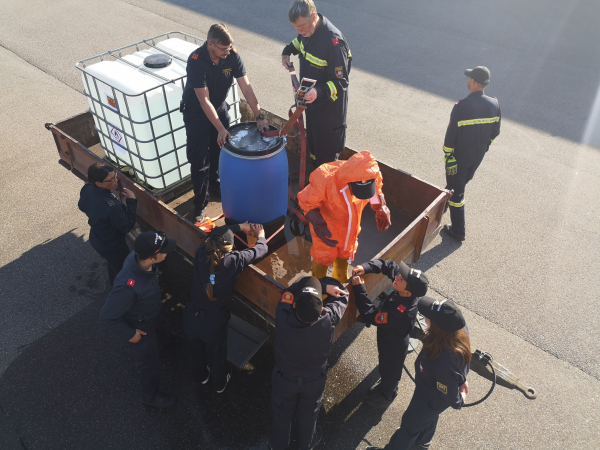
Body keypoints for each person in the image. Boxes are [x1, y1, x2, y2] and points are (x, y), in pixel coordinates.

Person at [181, 23, 270, 222]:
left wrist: (259, 116)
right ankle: (200, 204)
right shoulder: (196, 60)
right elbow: (204, 100)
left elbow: (246, 87)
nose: (227, 52)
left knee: (219, 152)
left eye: (229, 48)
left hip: (219, 108)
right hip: (197, 113)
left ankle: (215, 184)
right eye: (223, 49)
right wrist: (220, 128)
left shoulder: (232, 56)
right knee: (200, 161)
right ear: (210, 44)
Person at [367, 297, 471, 450]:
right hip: (430, 393)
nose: (423, 316)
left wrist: (461, 397)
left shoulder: (445, 363)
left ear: (437, 327)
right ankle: (423, 442)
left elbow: (452, 398)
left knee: (409, 426)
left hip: (429, 399)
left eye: (427, 316)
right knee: (429, 418)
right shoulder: (454, 333)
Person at [183, 222, 267, 393]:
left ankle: (201, 376)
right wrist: (261, 235)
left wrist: (238, 227)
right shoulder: (234, 260)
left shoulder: (200, 253)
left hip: (191, 315)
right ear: (229, 247)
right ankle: (220, 383)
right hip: (214, 321)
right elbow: (260, 250)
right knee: (217, 353)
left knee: (194, 350)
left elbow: (212, 235)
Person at [268, 276, 349, 450]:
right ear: (321, 309)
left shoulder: (283, 316)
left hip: (284, 378)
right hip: (313, 381)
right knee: (309, 415)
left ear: (294, 305)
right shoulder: (328, 318)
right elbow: (343, 295)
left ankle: (278, 445)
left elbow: (289, 291)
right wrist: (325, 286)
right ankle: (306, 444)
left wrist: (317, 286)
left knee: (282, 413)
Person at [99, 231, 178, 408]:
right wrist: (130, 333)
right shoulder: (127, 286)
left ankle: (166, 343)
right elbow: (107, 316)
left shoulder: (137, 258)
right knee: (147, 364)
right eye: (164, 251)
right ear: (152, 258)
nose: (167, 253)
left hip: (152, 312)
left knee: (162, 329)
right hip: (141, 328)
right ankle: (149, 396)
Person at [297, 150, 391, 283]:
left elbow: (375, 190)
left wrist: (380, 206)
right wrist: (318, 223)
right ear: (349, 182)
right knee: (322, 257)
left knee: (346, 253)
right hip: (327, 228)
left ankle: (340, 278)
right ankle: (318, 285)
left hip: (350, 230)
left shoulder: (370, 173)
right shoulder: (325, 179)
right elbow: (307, 201)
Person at [351, 260, 429, 408]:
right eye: (400, 275)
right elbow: (389, 265)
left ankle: (387, 395)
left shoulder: (400, 313)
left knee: (390, 371)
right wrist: (365, 267)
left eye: (401, 278)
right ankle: (387, 386)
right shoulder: (404, 285)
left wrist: (360, 290)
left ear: (407, 293)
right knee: (386, 367)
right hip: (391, 334)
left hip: (393, 344)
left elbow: (371, 315)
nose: (398, 276)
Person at [282, 0, 351, 166]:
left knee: (326, 163)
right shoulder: (307, 32)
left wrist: (318, 92)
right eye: (295, 27)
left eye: (301, 26)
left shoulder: (334, 43)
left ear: (313, 17)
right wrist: (286, 52)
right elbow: (299, 43)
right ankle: (313, 183)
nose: (299, 31)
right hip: (312, 109)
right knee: (313, 153)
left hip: (329, 116)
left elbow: (341, 82)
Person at [442, 66, 501, 242]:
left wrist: (448, 156)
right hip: (478, 157)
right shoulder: (495, 104)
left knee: (457, 192)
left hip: (460, 158)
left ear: (473, 82)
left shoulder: (461, 106)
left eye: (469, 78)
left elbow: (450, 137)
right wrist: (484, 146)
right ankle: (441, 203)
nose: (467, 80)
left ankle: (458, 230)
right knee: (457, 183)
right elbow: (495, 131)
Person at [78, 163, 137, 286]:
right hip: (114, 245)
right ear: (98, 183)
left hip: (97, 238)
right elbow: (127, 226)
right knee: (124, 270)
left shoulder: (87, 189)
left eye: (115, 176)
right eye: (111, 179)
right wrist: (132, 201)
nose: (116, 180)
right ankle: (124, 295)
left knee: (114, 265)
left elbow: (81, 206)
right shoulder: (111, 207)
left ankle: (114, 283)